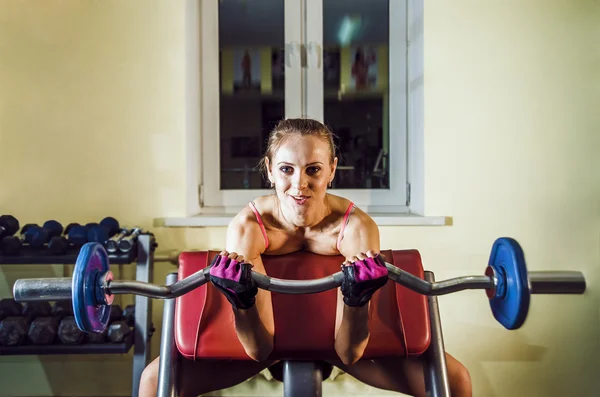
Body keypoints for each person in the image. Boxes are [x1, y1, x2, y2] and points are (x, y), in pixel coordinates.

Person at [139, 118, 472, 397]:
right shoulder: (248, 227)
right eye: (287, 169)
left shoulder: (355, 227)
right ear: (270, 170)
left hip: (337, 344)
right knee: (154, 382)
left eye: (313, 170)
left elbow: (350, 351)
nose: (300, 185)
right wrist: (242, 301)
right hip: (265, 344)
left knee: (456, 381)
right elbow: (259, 350)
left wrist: (357, 298)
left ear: (332, 170)